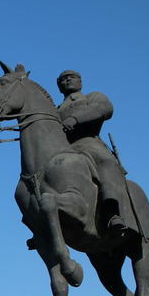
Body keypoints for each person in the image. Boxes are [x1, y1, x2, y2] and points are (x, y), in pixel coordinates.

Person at [56, 70, 134, 235]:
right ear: (59, 86)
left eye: (72, 77)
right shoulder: (54, 110)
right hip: (62, 148)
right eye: (63, 79)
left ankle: (113, 212)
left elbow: (104, 109)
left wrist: (75, 119)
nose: (68, 80)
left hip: (87, 142)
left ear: (80, 82)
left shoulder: (92, 97)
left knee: (106, 162)